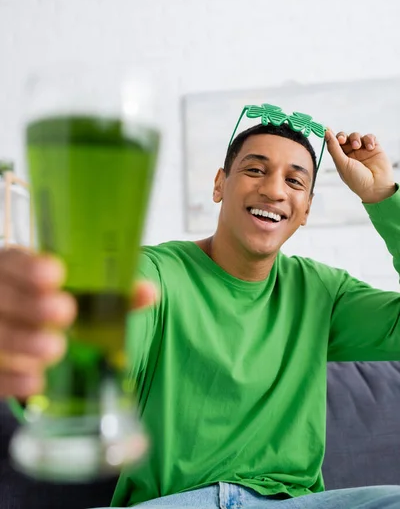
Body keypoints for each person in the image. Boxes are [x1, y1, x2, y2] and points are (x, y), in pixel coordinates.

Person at [0, 113, 399, 509]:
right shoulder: (153, 273)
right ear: (219, 185)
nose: (274, 190)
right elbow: (98, 353)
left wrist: (383, 196)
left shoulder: (323, 292)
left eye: (294, 181)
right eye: (255, 170)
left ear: (306, 209)